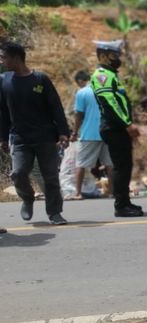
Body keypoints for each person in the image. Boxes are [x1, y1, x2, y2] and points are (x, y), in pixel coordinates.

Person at [0, 42, 69, 225]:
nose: (2, 60)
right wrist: (3, 137)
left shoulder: (40, 79)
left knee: (50, 177)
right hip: (19, 137)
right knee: (18, 173)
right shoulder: (4, 80)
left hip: (45, 136)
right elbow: (2, 112)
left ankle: (55, 213)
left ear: (16, 57)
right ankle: (28, 197)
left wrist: (63, 132)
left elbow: (55, 107)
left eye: (4, 57)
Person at [91, 40, 144, 217]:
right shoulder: (102, 75)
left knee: (125, 166)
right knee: (121, 167)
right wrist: (127, 123)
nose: (118, 59)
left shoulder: (111, 74)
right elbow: (110, 103)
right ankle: (121, 206)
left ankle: (125, 202)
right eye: (114, 55)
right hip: (113, 128)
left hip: (117, 128)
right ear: (103, 56)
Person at [71, 70, 112, 200]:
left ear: (80, 81)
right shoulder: (104, 91)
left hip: (89, 134)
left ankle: (78, 193)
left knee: (81, 164)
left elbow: (79, 115)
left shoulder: (82, 92)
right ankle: (111, 192)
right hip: (107, 132)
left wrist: (74, 132)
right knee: (110, 164)